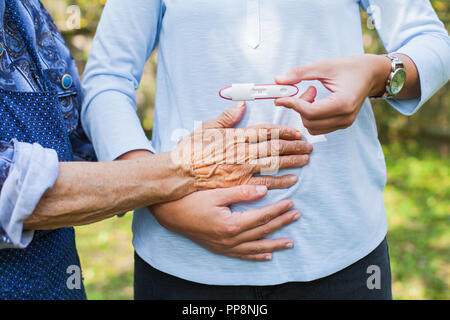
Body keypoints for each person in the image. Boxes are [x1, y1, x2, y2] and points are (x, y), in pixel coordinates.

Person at [82, 0, 450, 299]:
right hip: (182, 264)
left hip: (344, 260)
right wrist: (158, 195)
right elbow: (107, 79)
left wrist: (380, 74)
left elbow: (431, 43)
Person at [0, 0, 313, 299]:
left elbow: (71, 132)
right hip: (178, 267)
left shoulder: (25, 13)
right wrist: (168, 190)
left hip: (54, 280)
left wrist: (366, 78)